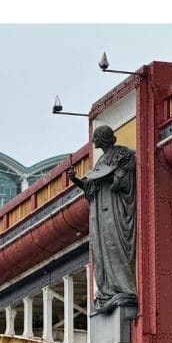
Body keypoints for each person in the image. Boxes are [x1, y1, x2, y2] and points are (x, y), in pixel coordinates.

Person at [68, 126, 137, 314]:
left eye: (95, 138)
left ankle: (123, 289)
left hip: (115, 211)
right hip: (100, 213)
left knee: (115, 248)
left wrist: (110, 177)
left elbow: (124, 181)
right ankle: (107, 290)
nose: (93, 141)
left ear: (103, 138)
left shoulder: (123, 155)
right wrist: (75, 180)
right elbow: (89, 189)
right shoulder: (100, 160)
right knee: (101, 250)